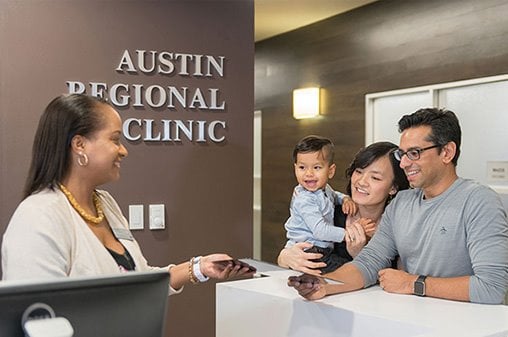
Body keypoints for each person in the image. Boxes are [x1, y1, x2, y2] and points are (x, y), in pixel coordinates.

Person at [1, 93, 255, 294]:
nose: (123, 151)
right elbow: (36, 314)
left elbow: (137, 280)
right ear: (79, 145)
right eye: (115, 139)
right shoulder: (38, 216)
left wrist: (200, 268)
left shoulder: (105, 204)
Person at [288, 108, 508, 304]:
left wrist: (413, 284)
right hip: (409, 321)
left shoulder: (479, 201)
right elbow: (368, 263)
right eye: (402, 154)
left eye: (414, 153)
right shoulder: (402, 203)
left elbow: (492, 287)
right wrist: (322, 285)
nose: (403, 163)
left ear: (447, 152)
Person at [279, 140, 409, 275]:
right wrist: (284, 257)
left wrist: (358, 254)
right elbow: (295, 245)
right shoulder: (329, 211)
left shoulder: (397, 227)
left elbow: (397, 280)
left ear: (393, 187)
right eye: (358, 172)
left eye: (375, 178)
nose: (361, 182)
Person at [282, 135, 358, 274]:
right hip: (310, 251)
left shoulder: (324, 189)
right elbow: (320, 231)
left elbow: (334, 195)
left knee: (353, 271)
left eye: (316, 167)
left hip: (321, 249)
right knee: (352, 271)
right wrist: (349, 233)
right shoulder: (305, 199)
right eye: (302, 167)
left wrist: (345, 199)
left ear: (330, 171)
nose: (309, 173)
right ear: (295, 168)